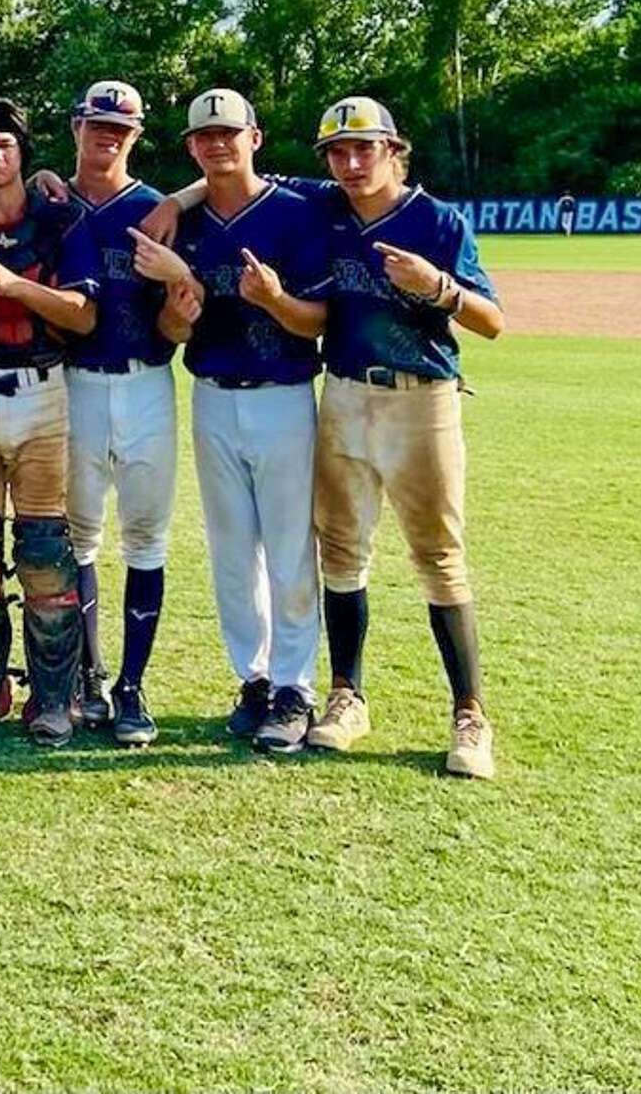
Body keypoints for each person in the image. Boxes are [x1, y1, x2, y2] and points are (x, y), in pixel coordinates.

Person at [300, 98, 504, 778]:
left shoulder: (436, 221)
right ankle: (346, 695)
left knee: (439, 553)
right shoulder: (327, 208)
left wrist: (438, 287)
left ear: (395, 150)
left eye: (366, 149)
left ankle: (470, 714)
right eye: (339, 151)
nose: (352, 163)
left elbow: (492, 321)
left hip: (423, 398)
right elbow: (236, 172)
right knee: (341, 550)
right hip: (347, 391)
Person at [132, 88, 331, 754]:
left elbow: (318, 320)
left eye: (229, 133)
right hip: (213, 392)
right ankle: (253, 677)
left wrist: (275, 300)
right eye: (204, 136)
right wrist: (176, 311)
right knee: (230, 551)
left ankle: (295, 686)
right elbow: (168, 328)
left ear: (255, 137)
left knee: (290, 549)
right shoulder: (180, 224)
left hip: (283, 393)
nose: (218, 144)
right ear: (191, 147)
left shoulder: (298, 212)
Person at [0, 98, 100, 745]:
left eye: (5, 145)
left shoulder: (59, 221)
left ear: (22, 152)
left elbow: (83, 315)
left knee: (43, 554)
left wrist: (16, 286)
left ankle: (54, 697)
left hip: (42, 390)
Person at [59, 80, 181, 747]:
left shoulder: (158, 209)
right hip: (74, 382)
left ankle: (132, 685)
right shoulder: (53, 202)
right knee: (78, 537)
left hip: (147, 381)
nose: (109, 136)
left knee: (146, 538)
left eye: (122, 129)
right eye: (98, 124)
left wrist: (181, 202)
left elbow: (179, 312)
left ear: (136, 136)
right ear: (76, 126)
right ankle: (89, 676)